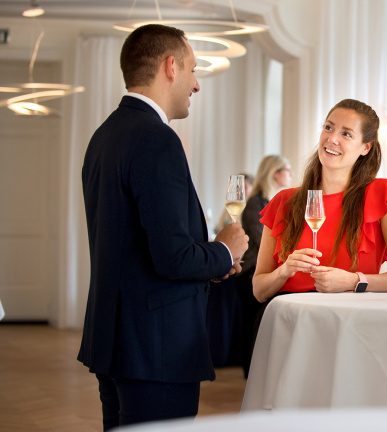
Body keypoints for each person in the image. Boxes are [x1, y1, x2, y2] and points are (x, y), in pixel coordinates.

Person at [78, 24, 248, 429]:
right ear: (170, 67)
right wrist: (225, 249)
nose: (196, 84)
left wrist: (213, 263)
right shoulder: (157, 139)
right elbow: (171, 255)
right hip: (156, 346)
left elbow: (134, 245)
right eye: (192, 69)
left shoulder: (104, 135)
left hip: (116, 338)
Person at [251, 99, 387, 307]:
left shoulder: (384, 195)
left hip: (351, 319)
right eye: (328, 127)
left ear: (365, 147)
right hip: (289, 319)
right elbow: (259, 290)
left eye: (346, 134)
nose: (332, 138)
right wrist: (284, 271)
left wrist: (354, 280)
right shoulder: (284, 201)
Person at [234, 155, 292, 377]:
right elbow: (262, 242)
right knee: (251, 325)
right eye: (287, 169)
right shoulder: (255, 204)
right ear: (275, 173)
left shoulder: (276, 201)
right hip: (251, 273)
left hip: (268, 272)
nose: (291, 174)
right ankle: (251, 375)